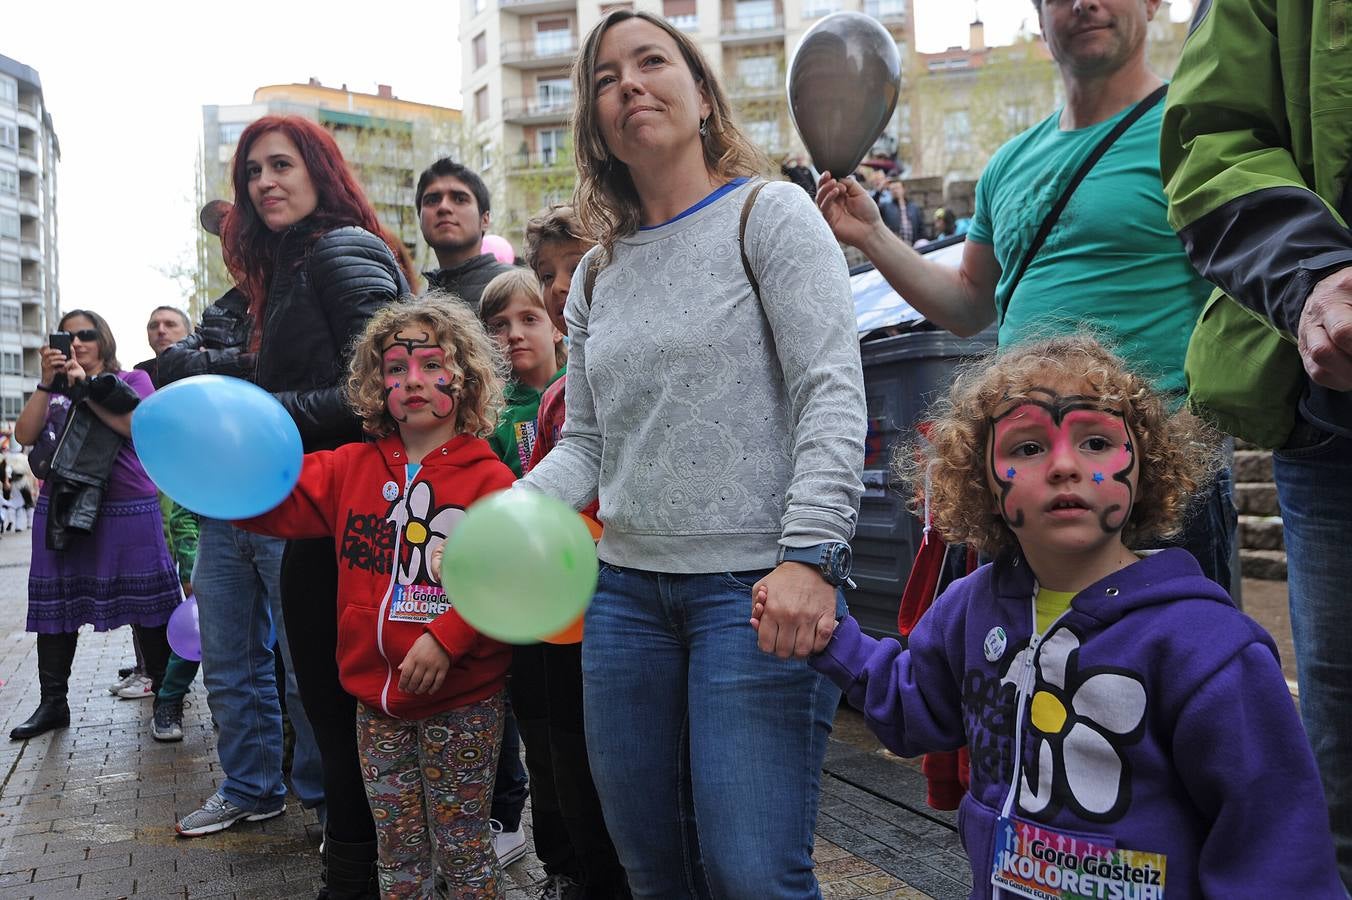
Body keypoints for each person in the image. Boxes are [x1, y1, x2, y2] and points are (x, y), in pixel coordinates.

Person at [772, 334, 1344, 898]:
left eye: (1096, 442)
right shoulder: (971, 608)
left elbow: (1276, 846)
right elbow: (914, 707)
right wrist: (830, 636)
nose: (1065, 466)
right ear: (984, 482)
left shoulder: (1209, 648)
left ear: (1145, 466)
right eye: (1027, 448)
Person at [519, 10, 866, 894]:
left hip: (755, 596)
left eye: (651, 63)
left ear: (702, 94)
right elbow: (590, 442)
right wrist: (510, 513)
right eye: (605, 78)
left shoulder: (771, 213)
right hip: (624, 602)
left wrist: (810, 558)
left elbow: (832, 391)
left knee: (753, 876)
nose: (629, 84)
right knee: (651, 869)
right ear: (596, 125)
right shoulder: (597, 273)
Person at [815, 0, 1236, 593]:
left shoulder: (1195, 131)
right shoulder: (1008, 163)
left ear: (1152, 3)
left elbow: (1239, 300)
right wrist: (871, 233)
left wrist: (1191, 437)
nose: (1084, 4)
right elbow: (967, 305)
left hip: (1151, 480)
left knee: (1173, 675)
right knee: (1022, 678)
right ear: (1040, 17)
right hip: (1027, 480)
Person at [1159, 0, 1352, 887]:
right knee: (1339, 777)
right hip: (1332, 413)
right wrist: (1310, 275)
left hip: (1196, 446)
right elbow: (1215, 134)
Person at [240, 296, 516, 896]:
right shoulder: (348, 468)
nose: (413, 380)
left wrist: (447, 640)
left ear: (463, 376)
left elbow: (508, 581)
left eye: (431, 364)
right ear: (375, 382)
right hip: (375, 704)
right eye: (396, 368)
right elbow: (272, 501)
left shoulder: (491, 478)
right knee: (398, 855)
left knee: (464, 853)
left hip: (462, 701)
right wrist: (221, 479)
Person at [203, 116, 413, 894]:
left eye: (281, 164)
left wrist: (259, 423)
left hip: (361, 517)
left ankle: (366, 872)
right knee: (328, 709)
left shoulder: (341, 248)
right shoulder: (292, 264)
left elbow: (383, 388)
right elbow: (297, 368)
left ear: (320, 171)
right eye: (252, 172)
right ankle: (353, 869)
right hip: (320, 512)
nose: (264, 183)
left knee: (352, 708)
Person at [521, 205, 630, 899]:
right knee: (570, 769)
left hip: (622, 608)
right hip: (563, 619)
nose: (561, 286)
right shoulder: (557, 400)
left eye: (577, 264)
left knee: (620, 774)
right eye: (547, 274)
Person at [10, 311, 181, 741]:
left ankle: (166, 699)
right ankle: (53, 704)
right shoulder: (54, 388)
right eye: (66, 336)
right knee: (55, 607)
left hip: (127, 504)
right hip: (61, 506)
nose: (77, 342)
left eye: (85, 334)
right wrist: (50, 382)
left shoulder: (133, 381)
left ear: (103, 338)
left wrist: (85, 387)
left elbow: (134, 426)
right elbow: (26, 434)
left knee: (150, 605)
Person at [480, 269, 566, 476]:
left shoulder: (584, 389)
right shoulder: (491, 417)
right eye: (499, 325)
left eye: (529, 319)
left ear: (556, 328)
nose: (514, 335)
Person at [418, 159, 515, 310]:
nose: (444, 207)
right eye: (432, 200)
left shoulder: (518, 289)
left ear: (485, 219)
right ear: (420, 219)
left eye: (459, 199)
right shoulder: (419, 308)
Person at [135, 306, 191, 386]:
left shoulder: (209, 368)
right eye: (154, 326)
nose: (161, 330)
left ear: (188, 333)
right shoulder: (135, 382)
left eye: (170, 325)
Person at [886, 177, 924, 246]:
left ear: (903, 189)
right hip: (895, 246)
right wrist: (880, 190)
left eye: (897, 188)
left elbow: (921, 228)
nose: (895, 191)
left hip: (914, 245)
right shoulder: (886, 207)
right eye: (892, 189)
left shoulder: (913, 207)